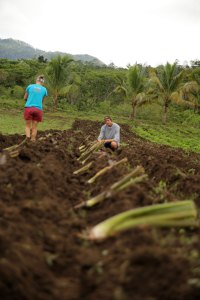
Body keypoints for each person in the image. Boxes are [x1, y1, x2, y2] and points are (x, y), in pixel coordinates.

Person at [24, 75, 48, 142]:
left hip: (29, 108)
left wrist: (29, 101)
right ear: (42, 82)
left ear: (36, 80)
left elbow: (25, 98)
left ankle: (27, 139)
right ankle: (33, 140)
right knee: (34, 127)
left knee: (27, 125)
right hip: (38, 109)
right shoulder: (44, 90)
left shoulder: (30, 86)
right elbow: (42, 101)